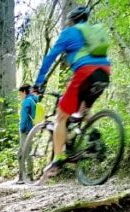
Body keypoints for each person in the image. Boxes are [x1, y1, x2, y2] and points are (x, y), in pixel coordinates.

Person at [34, 6, 112, 182]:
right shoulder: (94, 32)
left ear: (72, 20)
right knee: (83, 111)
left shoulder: (69, 33)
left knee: (61, 117)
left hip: (84, 73)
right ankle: (93, 139)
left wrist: (39, 82)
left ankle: (58, 158)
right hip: (104, 73)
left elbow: (50, 57)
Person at [17, 83, 39, 183]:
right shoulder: (34, 100)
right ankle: (29, 176)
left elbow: (24, 117)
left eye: (20, 93)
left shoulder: (26, 102)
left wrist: (21, 128)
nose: (20, 96)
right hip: (32, 129)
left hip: (25, 130)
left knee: (22, 154)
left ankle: (23, 177)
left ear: (24, 92)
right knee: (27, 152)